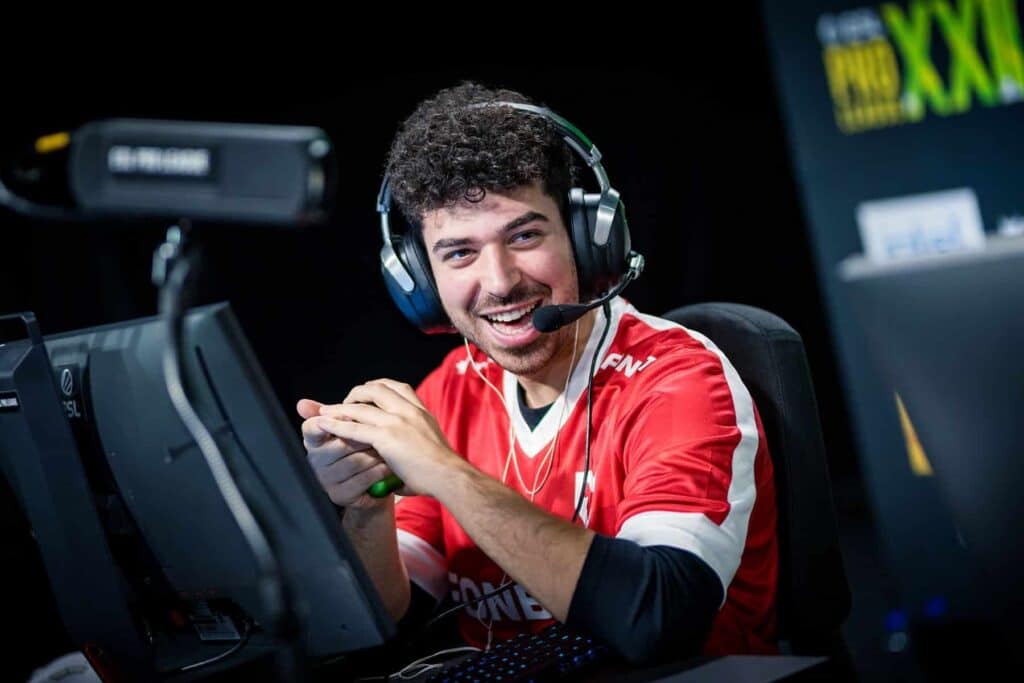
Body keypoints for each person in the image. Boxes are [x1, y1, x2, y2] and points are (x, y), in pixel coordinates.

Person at [297, 82, 777, 663]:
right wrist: (367, 504)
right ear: (419, 280)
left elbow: (659, 618)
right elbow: (388, 618)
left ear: (586, 239)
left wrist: (441, 470)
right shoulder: (447, 392)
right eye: (459, 253)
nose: (499, 281)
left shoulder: (679, 379)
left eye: (524, 236)